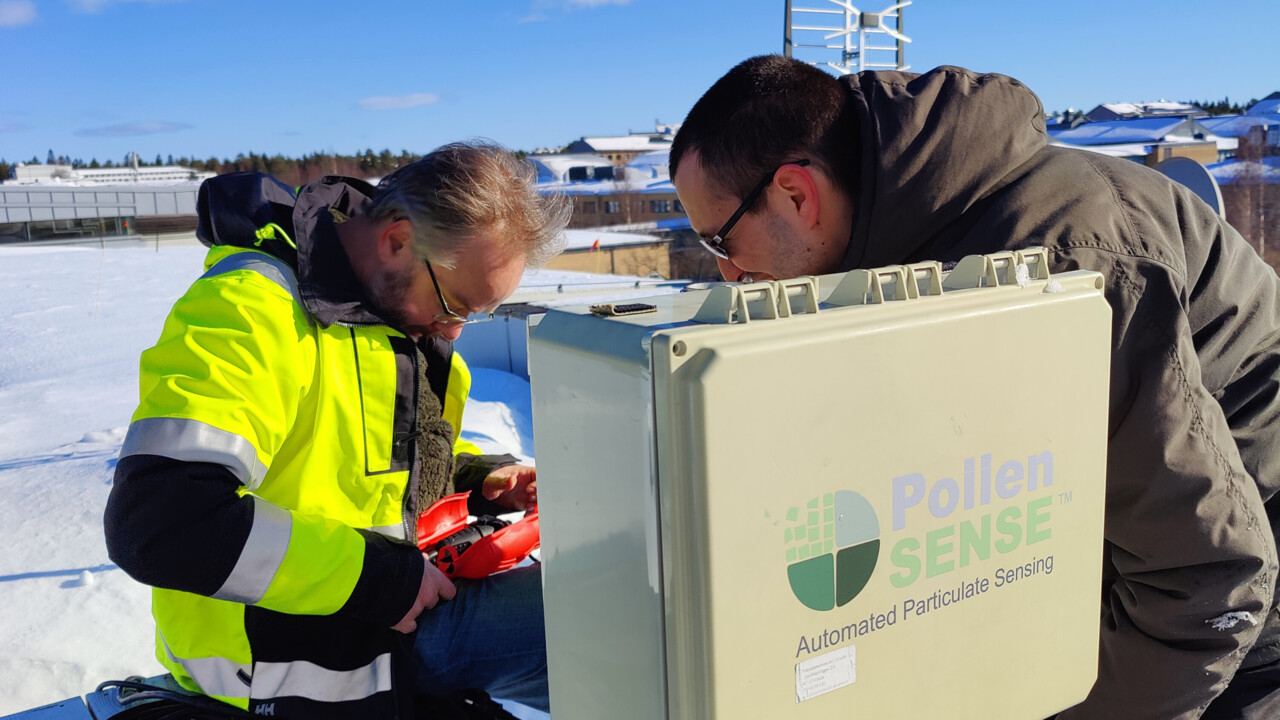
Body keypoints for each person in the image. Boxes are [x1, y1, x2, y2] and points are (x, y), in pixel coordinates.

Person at [670, 55, 1280, 720]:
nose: (728, 276)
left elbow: (1205, 579)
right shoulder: (900, 242)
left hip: (1230, 615)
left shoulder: (1054, 271)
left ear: (795, 195)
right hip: (1121, 571)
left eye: (719, 241)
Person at [105, 141, 572, 719]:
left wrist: (477, 477)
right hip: (286, 656)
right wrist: (381, 579)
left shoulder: (396, 317)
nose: (454, 332)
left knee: (609, 612)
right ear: (397, 239)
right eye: (456, 303)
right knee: (604, 622)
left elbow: (366, 468)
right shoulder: (253, 309)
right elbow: (161, 521)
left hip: (382, 626)